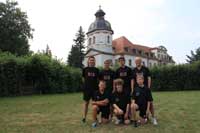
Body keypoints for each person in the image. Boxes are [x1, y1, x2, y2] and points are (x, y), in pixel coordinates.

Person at [132, 57, 158, 125]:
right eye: (136, 61)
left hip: (145, 89)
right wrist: (132, 89)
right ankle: (137, 119)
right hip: (137, 90)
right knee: (136, 104)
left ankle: (153, 117)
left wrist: (148, 88)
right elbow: (132, 80)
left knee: (150, 103)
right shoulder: (134, 70)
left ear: (141, 61)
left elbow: (149, 78)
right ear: (135, 62)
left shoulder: (145, 69)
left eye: (139, 61)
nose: (137, 62)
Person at [82, 56, 99, 123]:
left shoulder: (96, 70)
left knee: (95, 104)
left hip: (95, 90)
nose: (92, 61)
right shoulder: (85, 69)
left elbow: (98, 80)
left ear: (94, 62)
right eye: (90, 60)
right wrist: (84, 86)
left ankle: (95, 117)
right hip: (87, 89)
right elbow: (83, 79)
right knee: (86, 103)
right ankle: (84, 117)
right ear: (88, 61)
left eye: (93, 60)